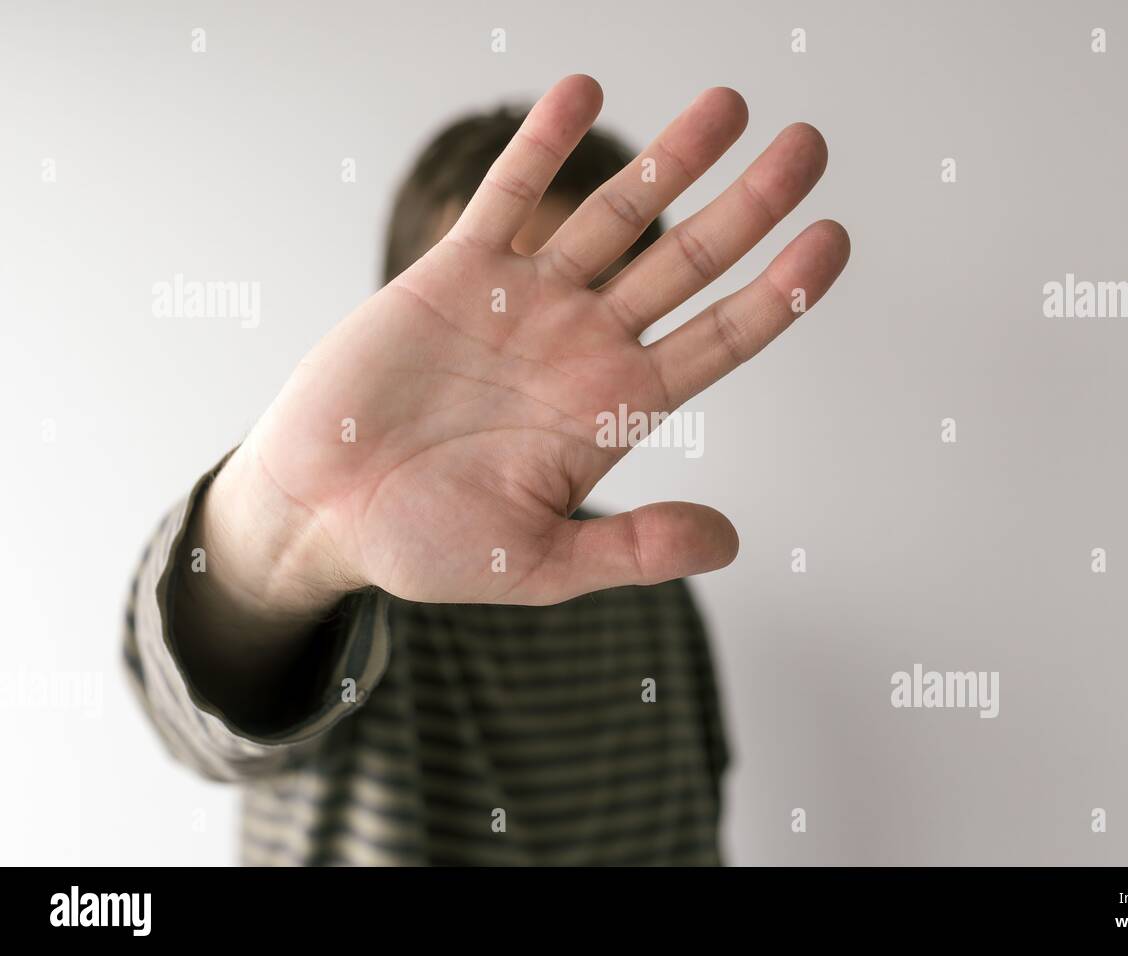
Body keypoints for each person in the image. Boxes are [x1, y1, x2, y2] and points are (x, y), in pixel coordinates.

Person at [122, 75, 850, 865]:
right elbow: (197, 720)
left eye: (582, 293)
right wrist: (290, 534)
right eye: (493, 309)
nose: (528, 361)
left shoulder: (655, 602)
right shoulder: (345, 600)